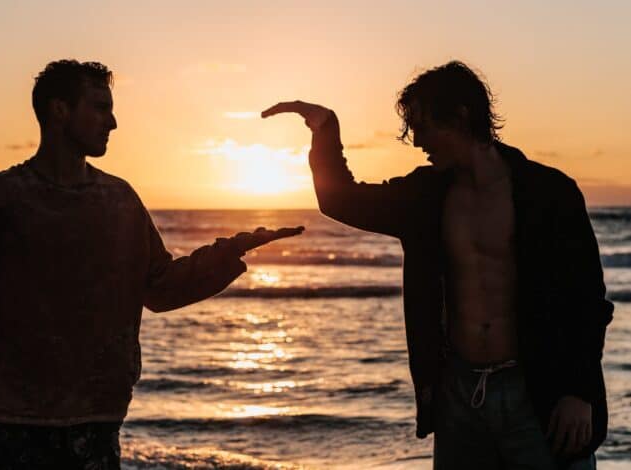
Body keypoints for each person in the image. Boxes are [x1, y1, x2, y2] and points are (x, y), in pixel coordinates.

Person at [0, 59, 303, 469]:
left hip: (96, 421)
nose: (114, 122)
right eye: (100, 107)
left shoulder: (119, 201)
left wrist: (231, 251)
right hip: (7, 422)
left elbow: (159, 287)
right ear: (60, 110)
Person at [262, 61, 613, 469]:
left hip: (539, 393)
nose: (417, 141)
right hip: (460, 397)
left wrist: (580, 391)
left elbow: (587, 300)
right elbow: (340, 199)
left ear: (461, 115)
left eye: (423, 127)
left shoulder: (550, 193)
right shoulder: (424, 197)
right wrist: (325, 129)